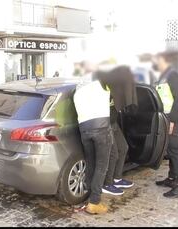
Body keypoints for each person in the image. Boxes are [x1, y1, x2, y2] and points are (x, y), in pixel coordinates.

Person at [73, 63, 112, 215]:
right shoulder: (101, 81)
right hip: (101, 127)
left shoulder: (78, 88)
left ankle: (89, 197)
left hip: (84, 130)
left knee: (91, 164)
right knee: (102, 166)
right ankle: (94, 202)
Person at [152, 51, 178, 198]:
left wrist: (172, 121)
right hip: (166, 116)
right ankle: (172, 178)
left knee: (174, 149)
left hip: (175, 116)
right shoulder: (163, 76)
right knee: (170, 149)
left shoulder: (174, 75)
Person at [98, 66, 138, 196]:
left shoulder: (116, 86)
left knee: (123, 147)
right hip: (104, 124)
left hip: (113, 122)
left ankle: (117, 178)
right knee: (113, 153)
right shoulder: (101, 86)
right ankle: (106, 183)